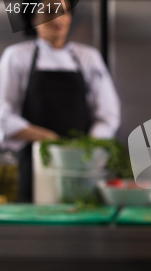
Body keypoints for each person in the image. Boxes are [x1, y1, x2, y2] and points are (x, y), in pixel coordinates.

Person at [0, 0, 120, 202]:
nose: (59, 18)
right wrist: (47, 139)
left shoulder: (89, 57)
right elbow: (2, 113)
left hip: (83, 166)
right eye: (49, 12)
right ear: (33, 18)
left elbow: (108, 114)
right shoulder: (16, 56)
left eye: (64, 12)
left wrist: (86, 148)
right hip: (34, 165)